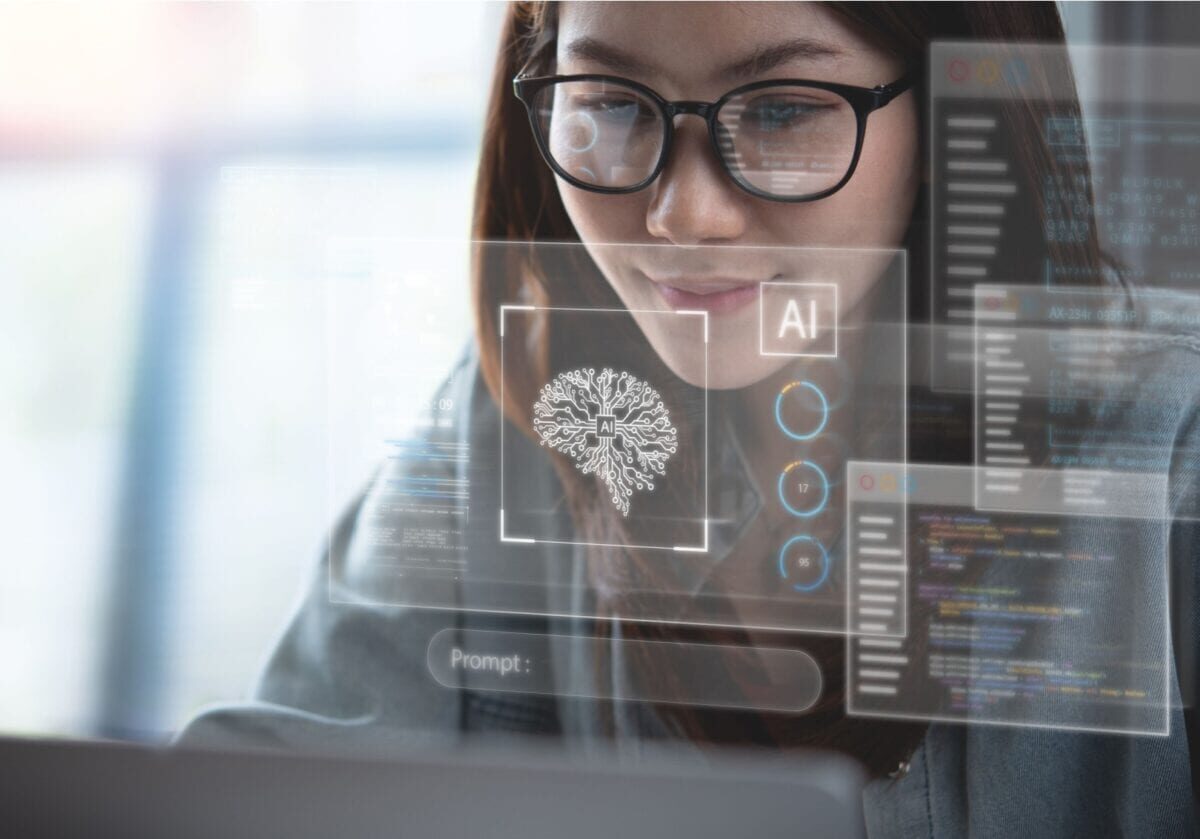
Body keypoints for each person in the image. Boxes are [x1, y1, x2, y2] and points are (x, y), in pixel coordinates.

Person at [183, 3, 1199, 835]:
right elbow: (264, 786)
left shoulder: (1175, 465)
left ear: (948, 118)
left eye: (785, 109)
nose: (684, 216)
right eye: (613, 103)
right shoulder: (517, 416)